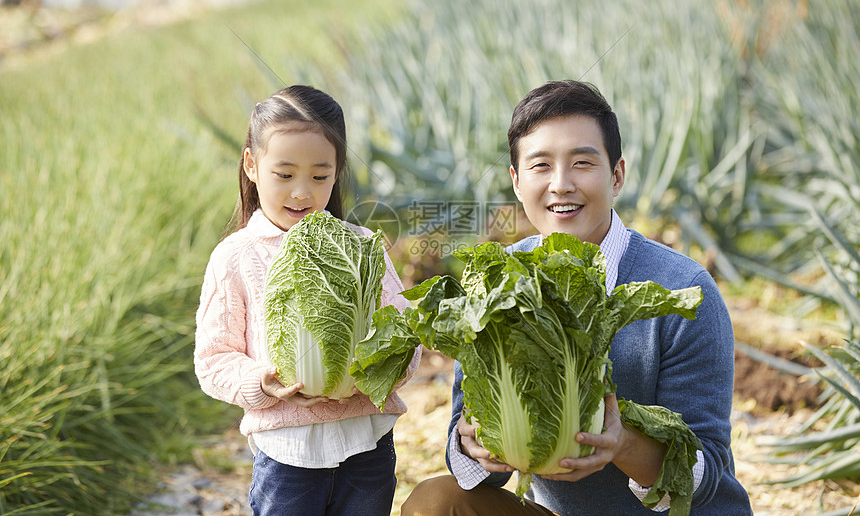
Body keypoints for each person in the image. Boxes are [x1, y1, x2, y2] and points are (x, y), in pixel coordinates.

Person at [401, 80, 751, 515]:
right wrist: (474, 445)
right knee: (435, 503)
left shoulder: (683, 289)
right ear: (515, 181)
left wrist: (622, 444)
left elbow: (705, 472)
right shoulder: (494, 281)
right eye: (540, 165)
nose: (561, 184)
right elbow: (468, 447)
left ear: (617, 175)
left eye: (582, 163)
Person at [194, 85, 420, 516]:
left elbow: (405, 334)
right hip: (287, 458)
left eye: (319, 176)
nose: (302, 193)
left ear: (337, 172)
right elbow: (213, 360)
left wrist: (379, 372)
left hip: (368, 447)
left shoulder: (363, 246)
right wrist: (263, 381)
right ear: (251, 165)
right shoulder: (235, 256)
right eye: (285, 174)